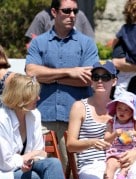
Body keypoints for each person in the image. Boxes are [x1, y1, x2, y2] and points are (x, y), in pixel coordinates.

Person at [25, 0, 99, 167]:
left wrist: (50, 76)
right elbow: (31, 72)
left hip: (75, 118)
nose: (72, 15)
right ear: (54, 12)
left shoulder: (86, 43)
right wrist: (69, 72)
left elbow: (87, 79)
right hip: (43, 116)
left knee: (73, 173)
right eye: (66, 11)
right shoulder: (39, 42)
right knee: (36, 168)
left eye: (75, 11)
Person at [0, 44, 40, 179]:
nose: (39, 99)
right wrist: (26, 158)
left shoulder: (34, 115)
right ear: (23, 98)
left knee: (52, 167)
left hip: (27, 169)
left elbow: (40, 152)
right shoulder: (3, 117)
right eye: (34, 96)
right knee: (52, 178)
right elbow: (6, 162)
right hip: (7, 172)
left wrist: (32, 160)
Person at [100, 92, 136, 179]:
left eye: (126, 110)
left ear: (132, 113)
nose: (122, 112)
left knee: (128, 163)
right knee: (110, 165)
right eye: (119, 108)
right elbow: (106, 138)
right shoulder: (111, 122)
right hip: (115, 151)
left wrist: (134, 133)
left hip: (129, 151)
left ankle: (122, 175)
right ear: (115, 109)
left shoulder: (134, 123)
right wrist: (115, 133)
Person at [25, 5, 94, 46]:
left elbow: (90, 43)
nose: (72, 15)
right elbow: (31, 46)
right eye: (66, 11)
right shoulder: (42, 17)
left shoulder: (79, 15)